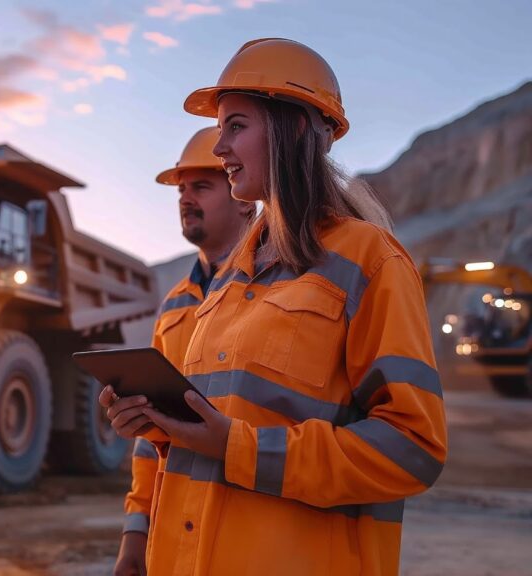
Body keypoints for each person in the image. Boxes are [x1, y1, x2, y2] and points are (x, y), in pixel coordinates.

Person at [101, 38, 447, 575]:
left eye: (235, 126)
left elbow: (413, 449)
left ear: (298, 129)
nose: (220, 148)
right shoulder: (228, 282)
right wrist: (158, 426)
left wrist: (236, 446)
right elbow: (218, 433)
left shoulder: (369, 260)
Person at [114, 126, 255, 576]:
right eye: (181, 189)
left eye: (202, 186)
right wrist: (135, 533)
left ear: (243, 195)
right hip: (179, 541)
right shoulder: (175, 303)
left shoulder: (286, 287)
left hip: (252, 536)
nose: (185, 198)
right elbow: (150, 441)